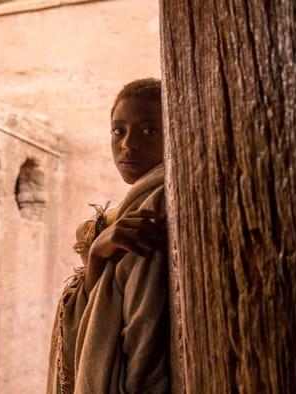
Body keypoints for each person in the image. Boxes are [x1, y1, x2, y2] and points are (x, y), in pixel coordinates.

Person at [47, 78, 170, 394]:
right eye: (119, 131)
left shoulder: (153, 207)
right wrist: (98, 250)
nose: (128, 144)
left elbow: (144, 329)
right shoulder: (117, 219)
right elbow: (92, 310)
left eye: (148, 131)